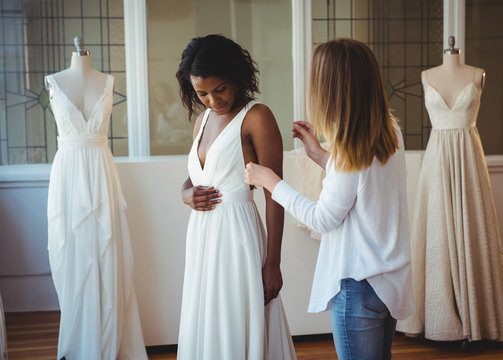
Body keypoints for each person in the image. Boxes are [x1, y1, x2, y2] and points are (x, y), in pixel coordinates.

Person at [244, 38, 414, 360]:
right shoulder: (389, 130)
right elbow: (363, 186)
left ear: (329, 89)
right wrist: (323, 157)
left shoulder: (349, 148)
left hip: (358, 286)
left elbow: (323, 218)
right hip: (388, 281)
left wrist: (271, 180)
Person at [175, 34, 296, 360]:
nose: (213, 100)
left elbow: (275, 194)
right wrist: (186, 194)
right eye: (202, 93)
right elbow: (197, 176)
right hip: (202, 238)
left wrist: (273, 262)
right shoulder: (203, 119)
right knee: (208, 321)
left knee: (237, 318)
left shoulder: (257, 116)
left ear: (236, 77)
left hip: (237, 238)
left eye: (220, 89)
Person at [396, 38, 503, 344]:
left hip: (468, 157)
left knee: (471, 229)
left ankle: (478, 318)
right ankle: (434, 316)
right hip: (436, 158)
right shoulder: (427, 76)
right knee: (436, 232)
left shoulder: (478, 74)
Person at [45, 37, 147, 359]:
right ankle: (80, 340)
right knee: (70, 251)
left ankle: (108, 339)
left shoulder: (107, 81)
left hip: (101, 170)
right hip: (69, 174)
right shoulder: (54, 82)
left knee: (107, 255)